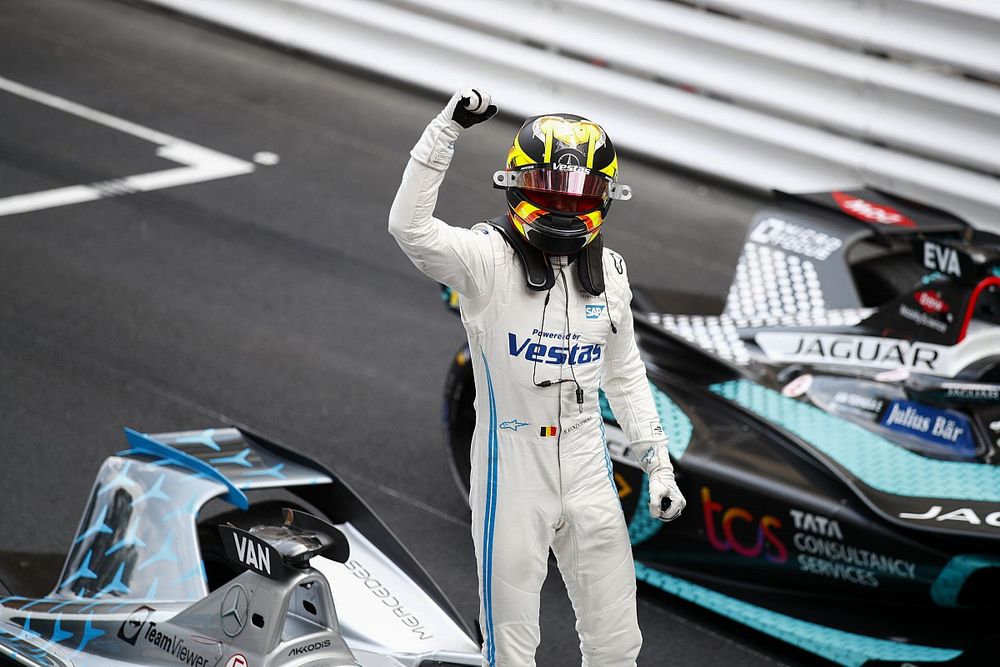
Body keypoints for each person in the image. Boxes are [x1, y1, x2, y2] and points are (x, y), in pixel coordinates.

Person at [388, 88, 686, 667]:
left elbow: (624, 375)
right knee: (512, 644)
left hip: (586, 458)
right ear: (518, 185)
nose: (568, 209)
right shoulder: (486, 259)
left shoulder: (612, 272)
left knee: (618, 642)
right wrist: (445, 131)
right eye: (553, 192)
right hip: (510, 458)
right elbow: (409, 227)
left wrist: (658, 465)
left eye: (582, 197)